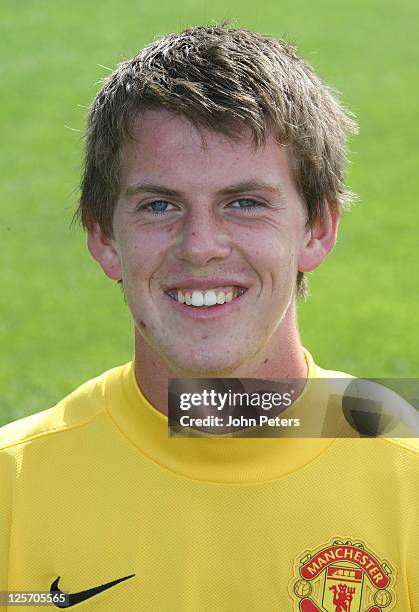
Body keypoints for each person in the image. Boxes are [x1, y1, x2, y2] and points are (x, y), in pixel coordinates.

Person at [0, 25, 417, 611]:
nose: (200, 246)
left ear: (316, 230)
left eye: (245, 202)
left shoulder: (409, 469)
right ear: (103, 237)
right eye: (160, 205)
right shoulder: (11, 488)